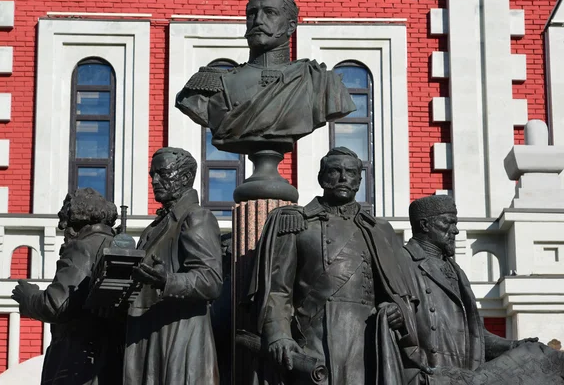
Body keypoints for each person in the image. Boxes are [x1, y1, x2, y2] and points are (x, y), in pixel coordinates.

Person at [246, 147, 419, 385]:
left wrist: (396, 312)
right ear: (321, 178)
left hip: (366, 345)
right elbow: (278, 289)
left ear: (359, 181)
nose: (342, 178)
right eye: (334, 171)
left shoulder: (380, 230)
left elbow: (398, 294)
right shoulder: (297, 224)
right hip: (313, 341)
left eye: (350, 172)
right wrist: (279, 335)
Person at [401, 195, 564, 384]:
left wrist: (513, 345)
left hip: (463, 375)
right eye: (448, 222)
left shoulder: (456, 271)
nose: (455, 230)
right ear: (425, 225)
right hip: (429, 376)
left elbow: (477, 335)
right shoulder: (401, 262)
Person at [175, 0, 355, 155]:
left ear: (291, 26)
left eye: (270, 13)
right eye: (252, 14)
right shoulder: (210, 85)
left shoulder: (321, 83)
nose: (258, 20)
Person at [124, 147, 223, 385]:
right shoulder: (154, 228)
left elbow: (211, 280)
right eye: (152, 175)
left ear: (186, 178)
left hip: (179, 338)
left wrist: (166, 280)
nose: (154, 181)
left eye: (162, 173)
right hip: (150, 334)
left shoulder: (196, 218)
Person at [11, 188, 123, 385]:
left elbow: (57, 305)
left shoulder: (82, 247)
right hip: (107, 367)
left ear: (76, 224)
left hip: (75, 367)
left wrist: (27, 296)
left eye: (66, 226)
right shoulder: (116, 245)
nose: (65, 233)